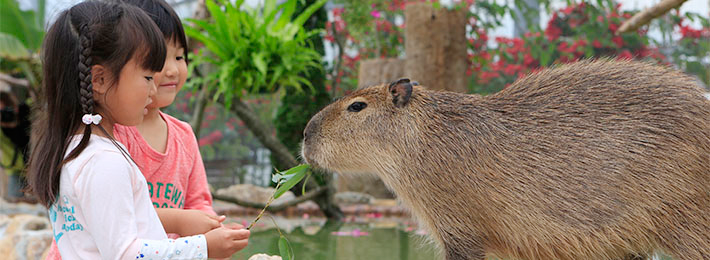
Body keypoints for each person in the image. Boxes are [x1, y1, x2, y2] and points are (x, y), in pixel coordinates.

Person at [26, 1, 249, 259]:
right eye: (147, 77)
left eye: (179, 57)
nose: (153, 89)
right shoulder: (105, 162)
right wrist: (202, 248)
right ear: (98, 80)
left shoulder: (75, 151)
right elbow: (126, 253)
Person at [0, 90, 31, 201]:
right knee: (15, 200)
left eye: (6, 110)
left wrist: (17, 119)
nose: (4, 114)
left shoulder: (23, 114)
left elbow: (25, 139)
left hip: (32, 166)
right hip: (14, 168)